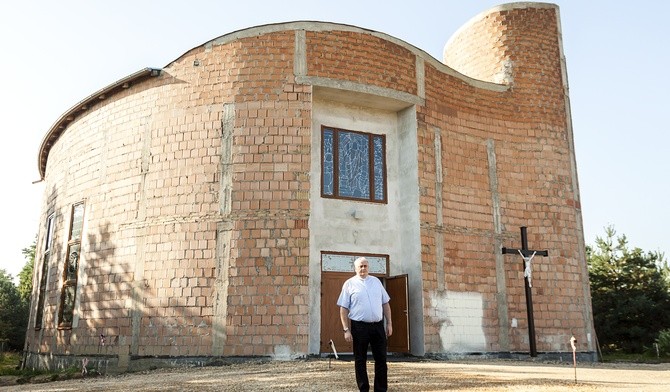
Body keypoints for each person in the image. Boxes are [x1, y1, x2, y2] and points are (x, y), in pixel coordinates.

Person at [337, 257, 392, 392]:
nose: (363, 268)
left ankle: (381, 389)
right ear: (355, 268)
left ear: (368, 267)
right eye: (360, 266)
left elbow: (385, 303)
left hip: (378, 326)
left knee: (381, 359)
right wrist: (346, 330)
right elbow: (343, 309)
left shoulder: (376, 282)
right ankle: (363, 388)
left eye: (365, 266)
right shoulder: (349, 284)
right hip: (359, 327)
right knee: (360, 359)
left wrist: (389, 323)